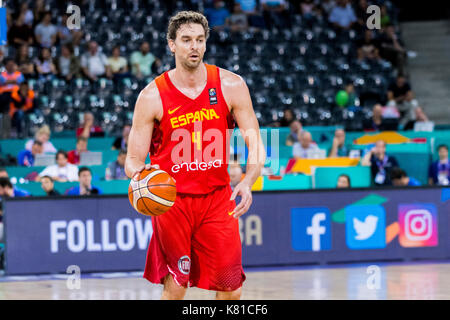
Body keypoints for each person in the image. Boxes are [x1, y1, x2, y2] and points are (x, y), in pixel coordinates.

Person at [124, 11, 265, 300]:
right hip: (173, 202)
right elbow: (132, 160)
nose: (194, 46)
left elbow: (256, 143)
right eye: (186, 40)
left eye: (200, 40)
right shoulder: (151, 96)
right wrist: (143, 179)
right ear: (172, 44)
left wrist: (249, 180)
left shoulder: (231, 85)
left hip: (216, 198)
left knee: (231, 287)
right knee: (177, 286)